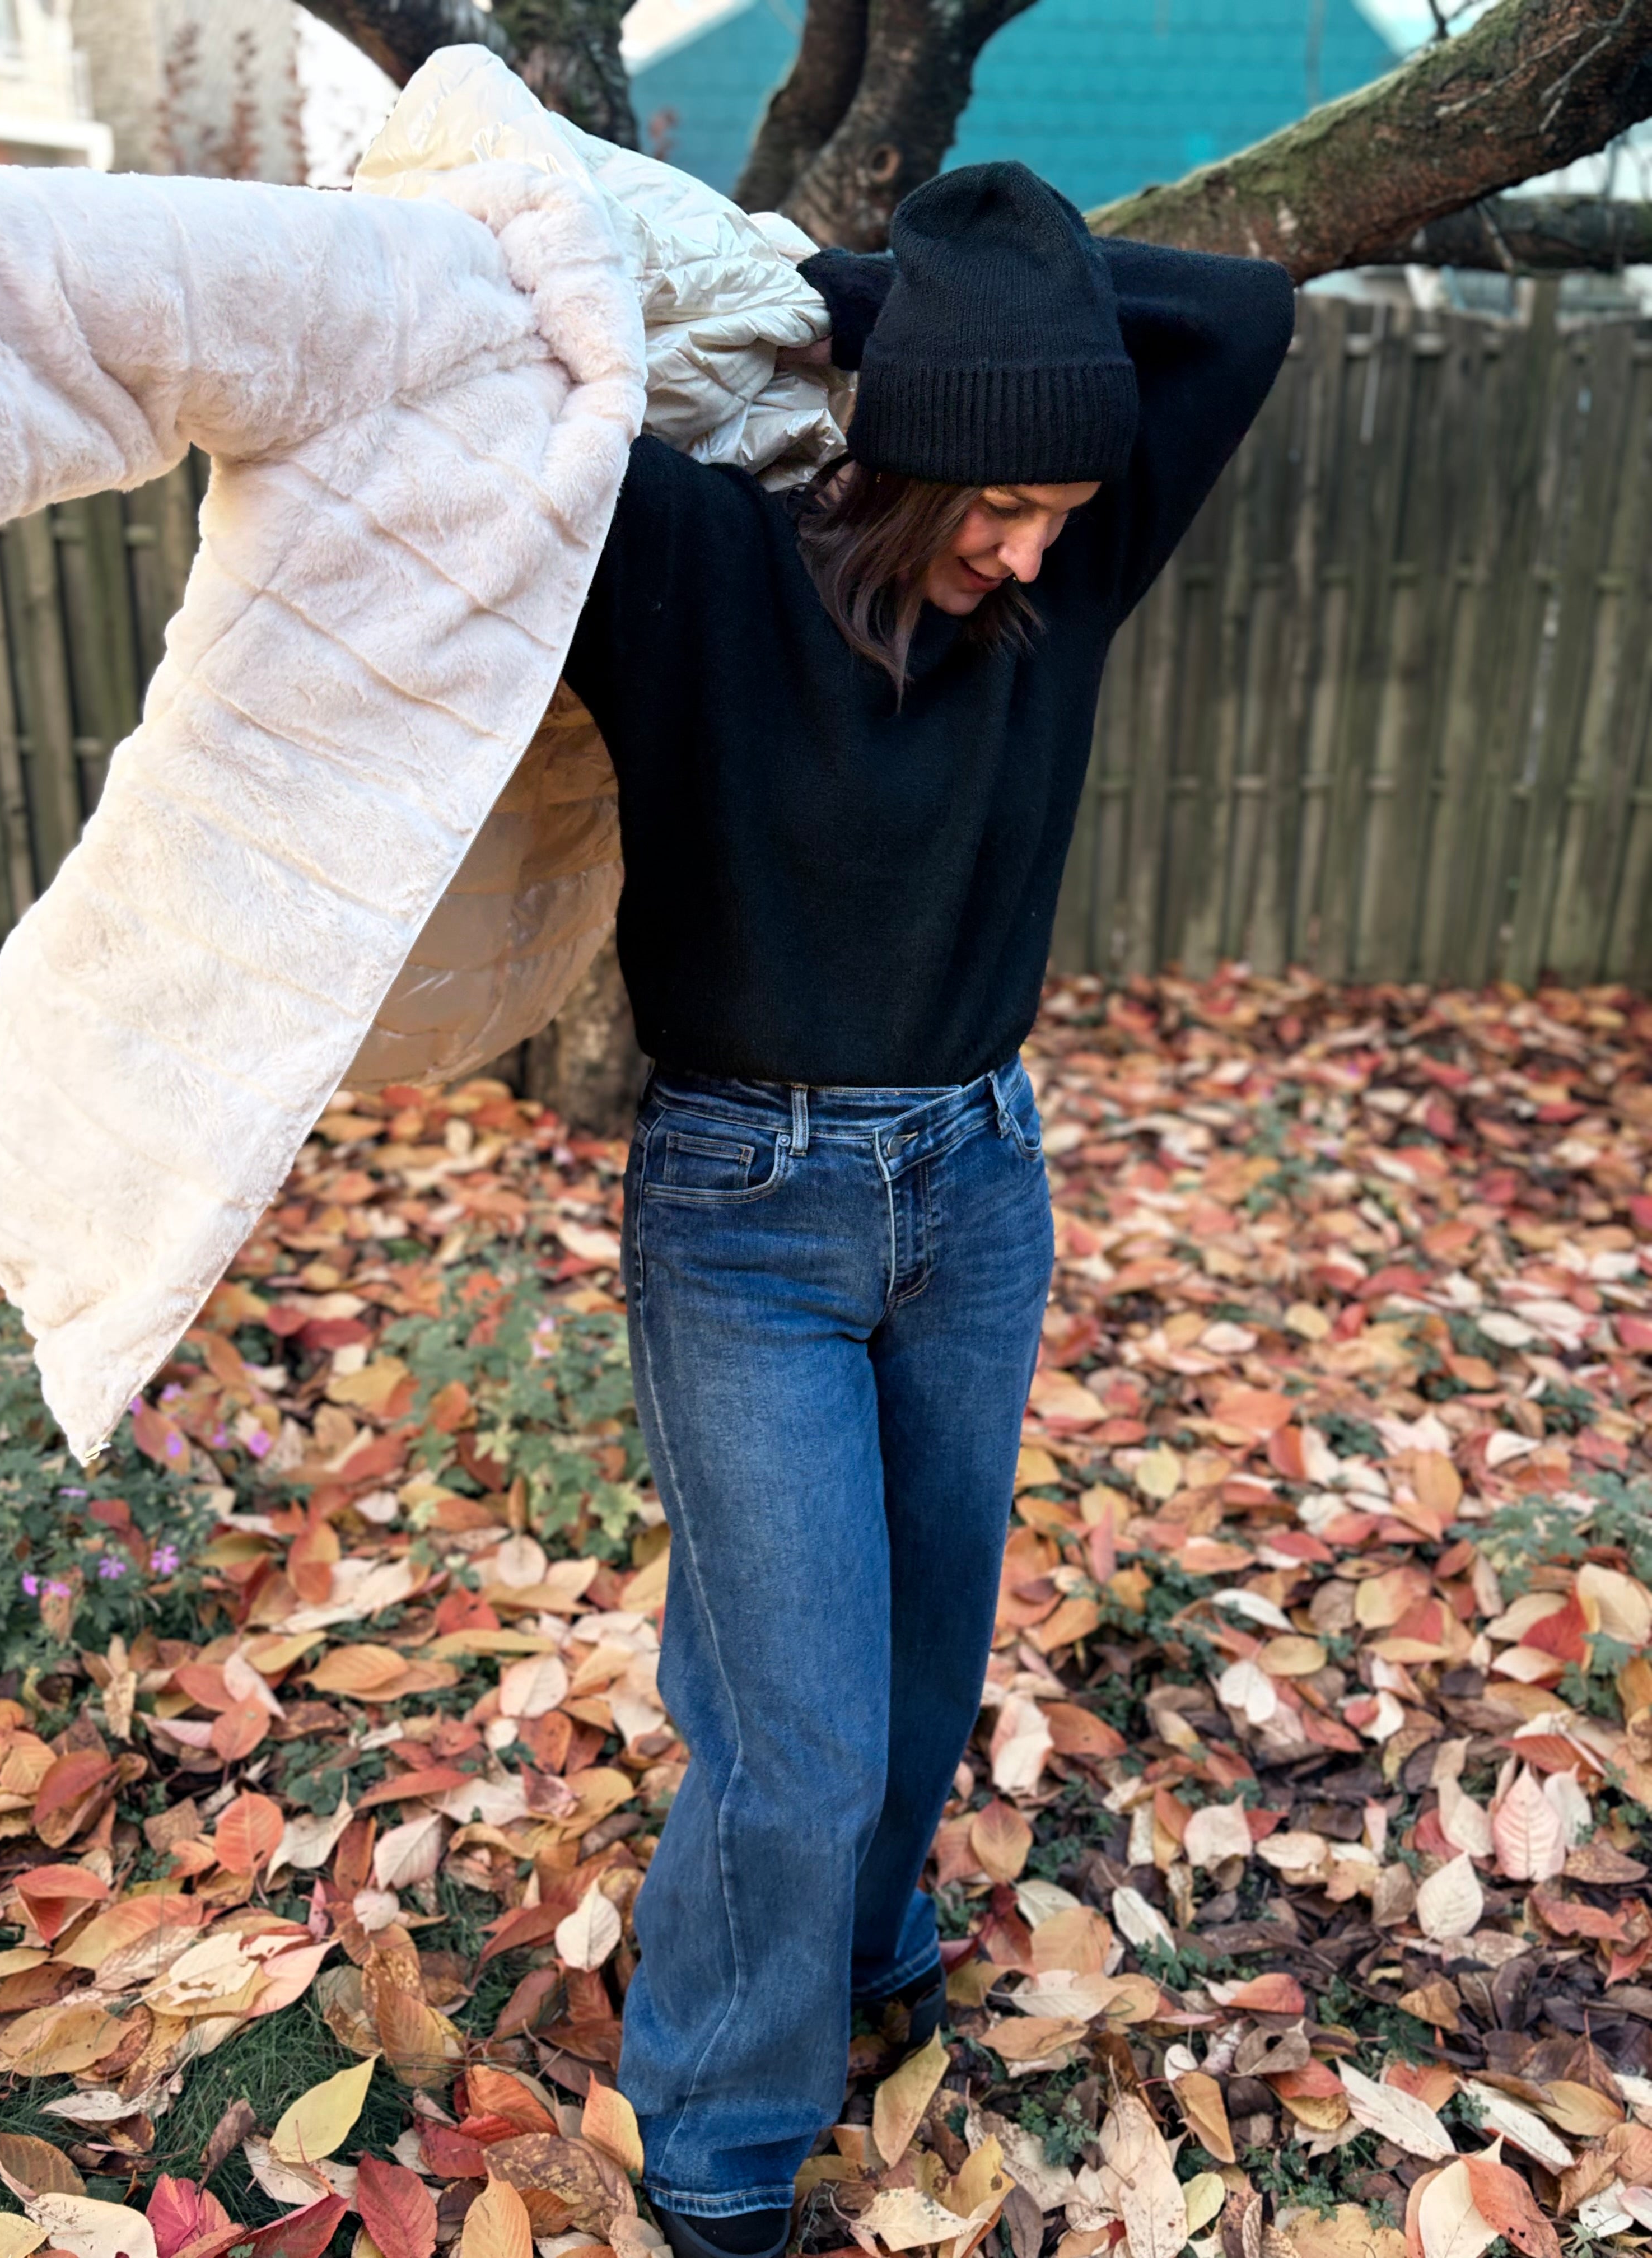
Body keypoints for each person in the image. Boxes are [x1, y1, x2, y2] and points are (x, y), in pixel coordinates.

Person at [559, 160, 1294, 2258]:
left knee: (920, 1658)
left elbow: (1241, 322)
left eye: (1058, 503)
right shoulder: (694, 567)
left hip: (978, 1183)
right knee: (790, 1722)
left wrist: (938, 289)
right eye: (992, 496)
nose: (1029, 542)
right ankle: (715, 2144)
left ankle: (865, 1952)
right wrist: (886, 323)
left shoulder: (1068, 571)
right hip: (748, 1209)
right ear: (895, 453)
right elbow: (474, 420)